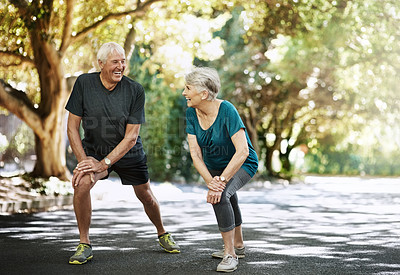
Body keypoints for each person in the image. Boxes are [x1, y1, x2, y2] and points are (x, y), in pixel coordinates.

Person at [65, 42, 180, 265]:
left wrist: (105, 163)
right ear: (100, 64)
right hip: (94, 151)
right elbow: (72, 127)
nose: (121, 66)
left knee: (145, 195)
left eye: (123, 61)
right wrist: (84, 162)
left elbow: (131, 137)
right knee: (81, 184)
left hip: (129, 152)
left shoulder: (135, 90)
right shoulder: (84, 83)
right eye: (115, 62)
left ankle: (162, 232)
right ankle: (84, 243)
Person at [182, 67, 258, 273]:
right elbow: (195, 154)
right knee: (227, 196)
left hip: (242, 163)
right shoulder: (191, 112)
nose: (184, 93)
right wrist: (210, 181)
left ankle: (230, 254)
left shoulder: (227, 110)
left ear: (204, 93)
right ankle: (239, 246)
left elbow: (242, 151)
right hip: (215, 167)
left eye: (188, 88)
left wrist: (220, 182)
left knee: (222, 195)